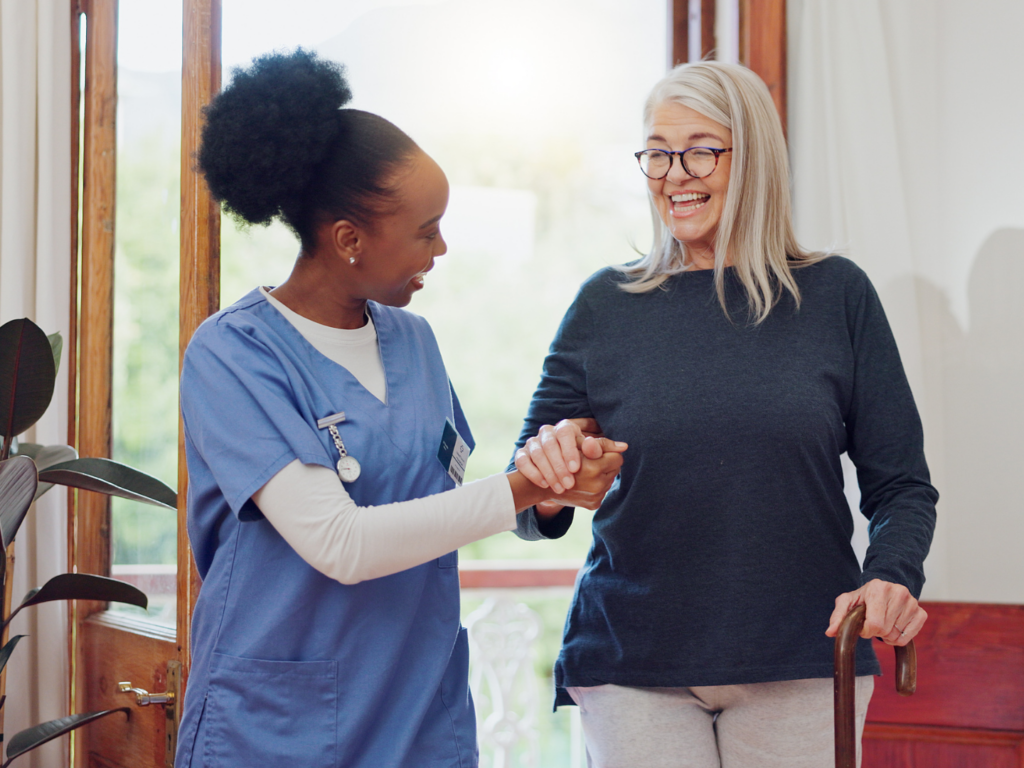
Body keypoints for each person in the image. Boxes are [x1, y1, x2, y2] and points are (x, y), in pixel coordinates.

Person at [174, 50, 624, 768]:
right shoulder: (233, 355)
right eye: (426, 230)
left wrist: (551, 489)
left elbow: (444, 501)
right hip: (280, 722)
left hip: (419, 711)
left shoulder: (414, 343)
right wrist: (522, 488)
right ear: (350, 239)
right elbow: (343, 545)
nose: (441, 247)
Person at [512, 61, 937, 768]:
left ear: (756, 159)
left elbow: (900, 486)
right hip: (633, 661)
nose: (675, 173)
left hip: (801, 655)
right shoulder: (604, 306)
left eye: (701, 149)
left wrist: (891, 574)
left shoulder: (836, 296)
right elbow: (529, 497)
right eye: (657, 152)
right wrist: (552, 479)